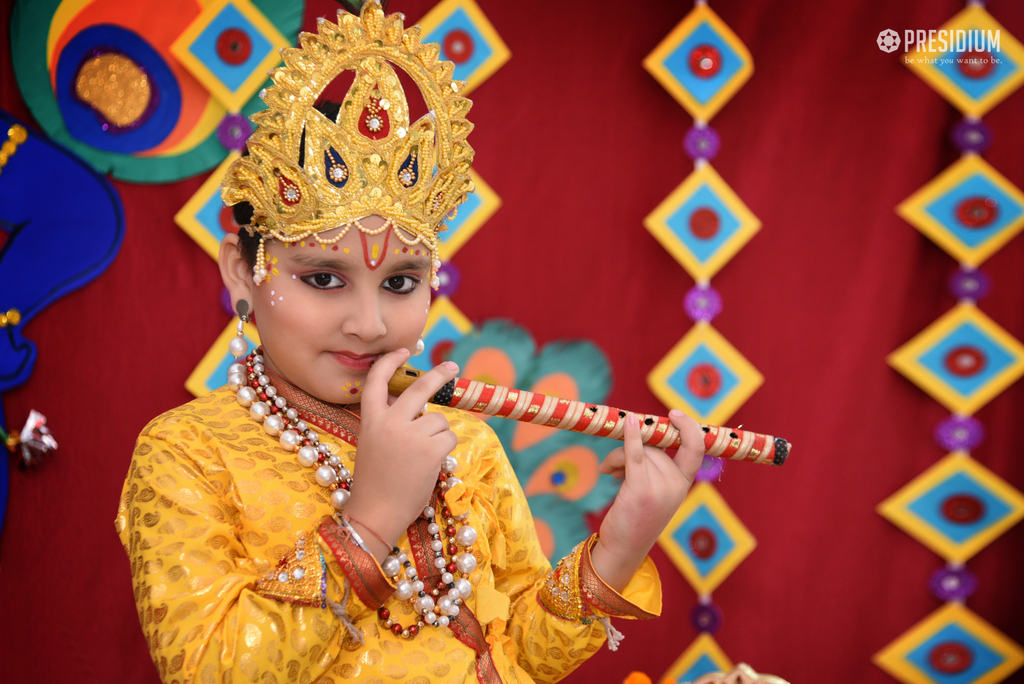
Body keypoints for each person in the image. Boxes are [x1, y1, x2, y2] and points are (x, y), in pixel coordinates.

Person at [115, 3, 704, 683]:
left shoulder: (465, 442)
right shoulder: (187, 453)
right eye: (325, 278)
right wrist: (371, 519)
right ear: (242, 273)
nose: (369, 323)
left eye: (400, 283)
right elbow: (206, 673)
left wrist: (620, 547)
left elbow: (518, 662)